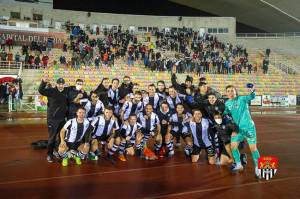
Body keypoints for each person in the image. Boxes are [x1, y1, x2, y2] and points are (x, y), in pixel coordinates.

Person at [223, 84, 261, 178]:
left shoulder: (242, 99)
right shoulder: (227, 103)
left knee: (253, 149)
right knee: (233, 146)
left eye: (232, 91)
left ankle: (258, 168)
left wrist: (252, 90)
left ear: (236, 91)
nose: (230, 93)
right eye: (228, 91)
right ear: (226, 93)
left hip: (249, 128)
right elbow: (225, 114)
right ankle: (238, 164)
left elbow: (252, 96)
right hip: (237, 130)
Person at [38, 77, 68, 163]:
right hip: (53, 119)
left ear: (64, 84)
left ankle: (58, 151)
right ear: (56, 84)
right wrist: (43, 82)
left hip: (62, 119)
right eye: (59, 84)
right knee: (52, 137)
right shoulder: (51, 91)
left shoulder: (66, 91)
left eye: (62, 84)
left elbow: (74, 89)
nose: (61, 85)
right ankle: (49, 154)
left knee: (61, 137)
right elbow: (41, 90)